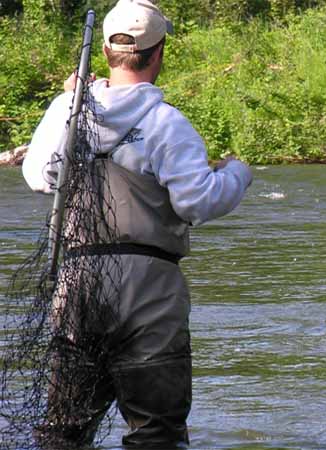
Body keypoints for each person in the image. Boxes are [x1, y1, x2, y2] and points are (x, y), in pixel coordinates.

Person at [21, 0, 252, 446]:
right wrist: (237, 174)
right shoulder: (167, 124)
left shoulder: (67, 111)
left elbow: (38, 177)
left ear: (107, 52)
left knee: (63, 433)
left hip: (78, 280)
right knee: (157, 433)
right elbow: (198, 203)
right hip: (149, 288)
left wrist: (72, 102)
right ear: (159, 52)